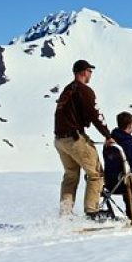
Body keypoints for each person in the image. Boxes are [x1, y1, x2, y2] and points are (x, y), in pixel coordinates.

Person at [54, 59, 115, 221]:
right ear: (83, 72)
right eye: (89, 71)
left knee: (71, 175)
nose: (91, 74)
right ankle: (92, 212)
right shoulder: (84, 90)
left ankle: (65, 214)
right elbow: (95, 114)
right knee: (96, 173)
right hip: (74, 138)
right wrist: (108, 135)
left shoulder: (67, 90)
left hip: (60, 140)